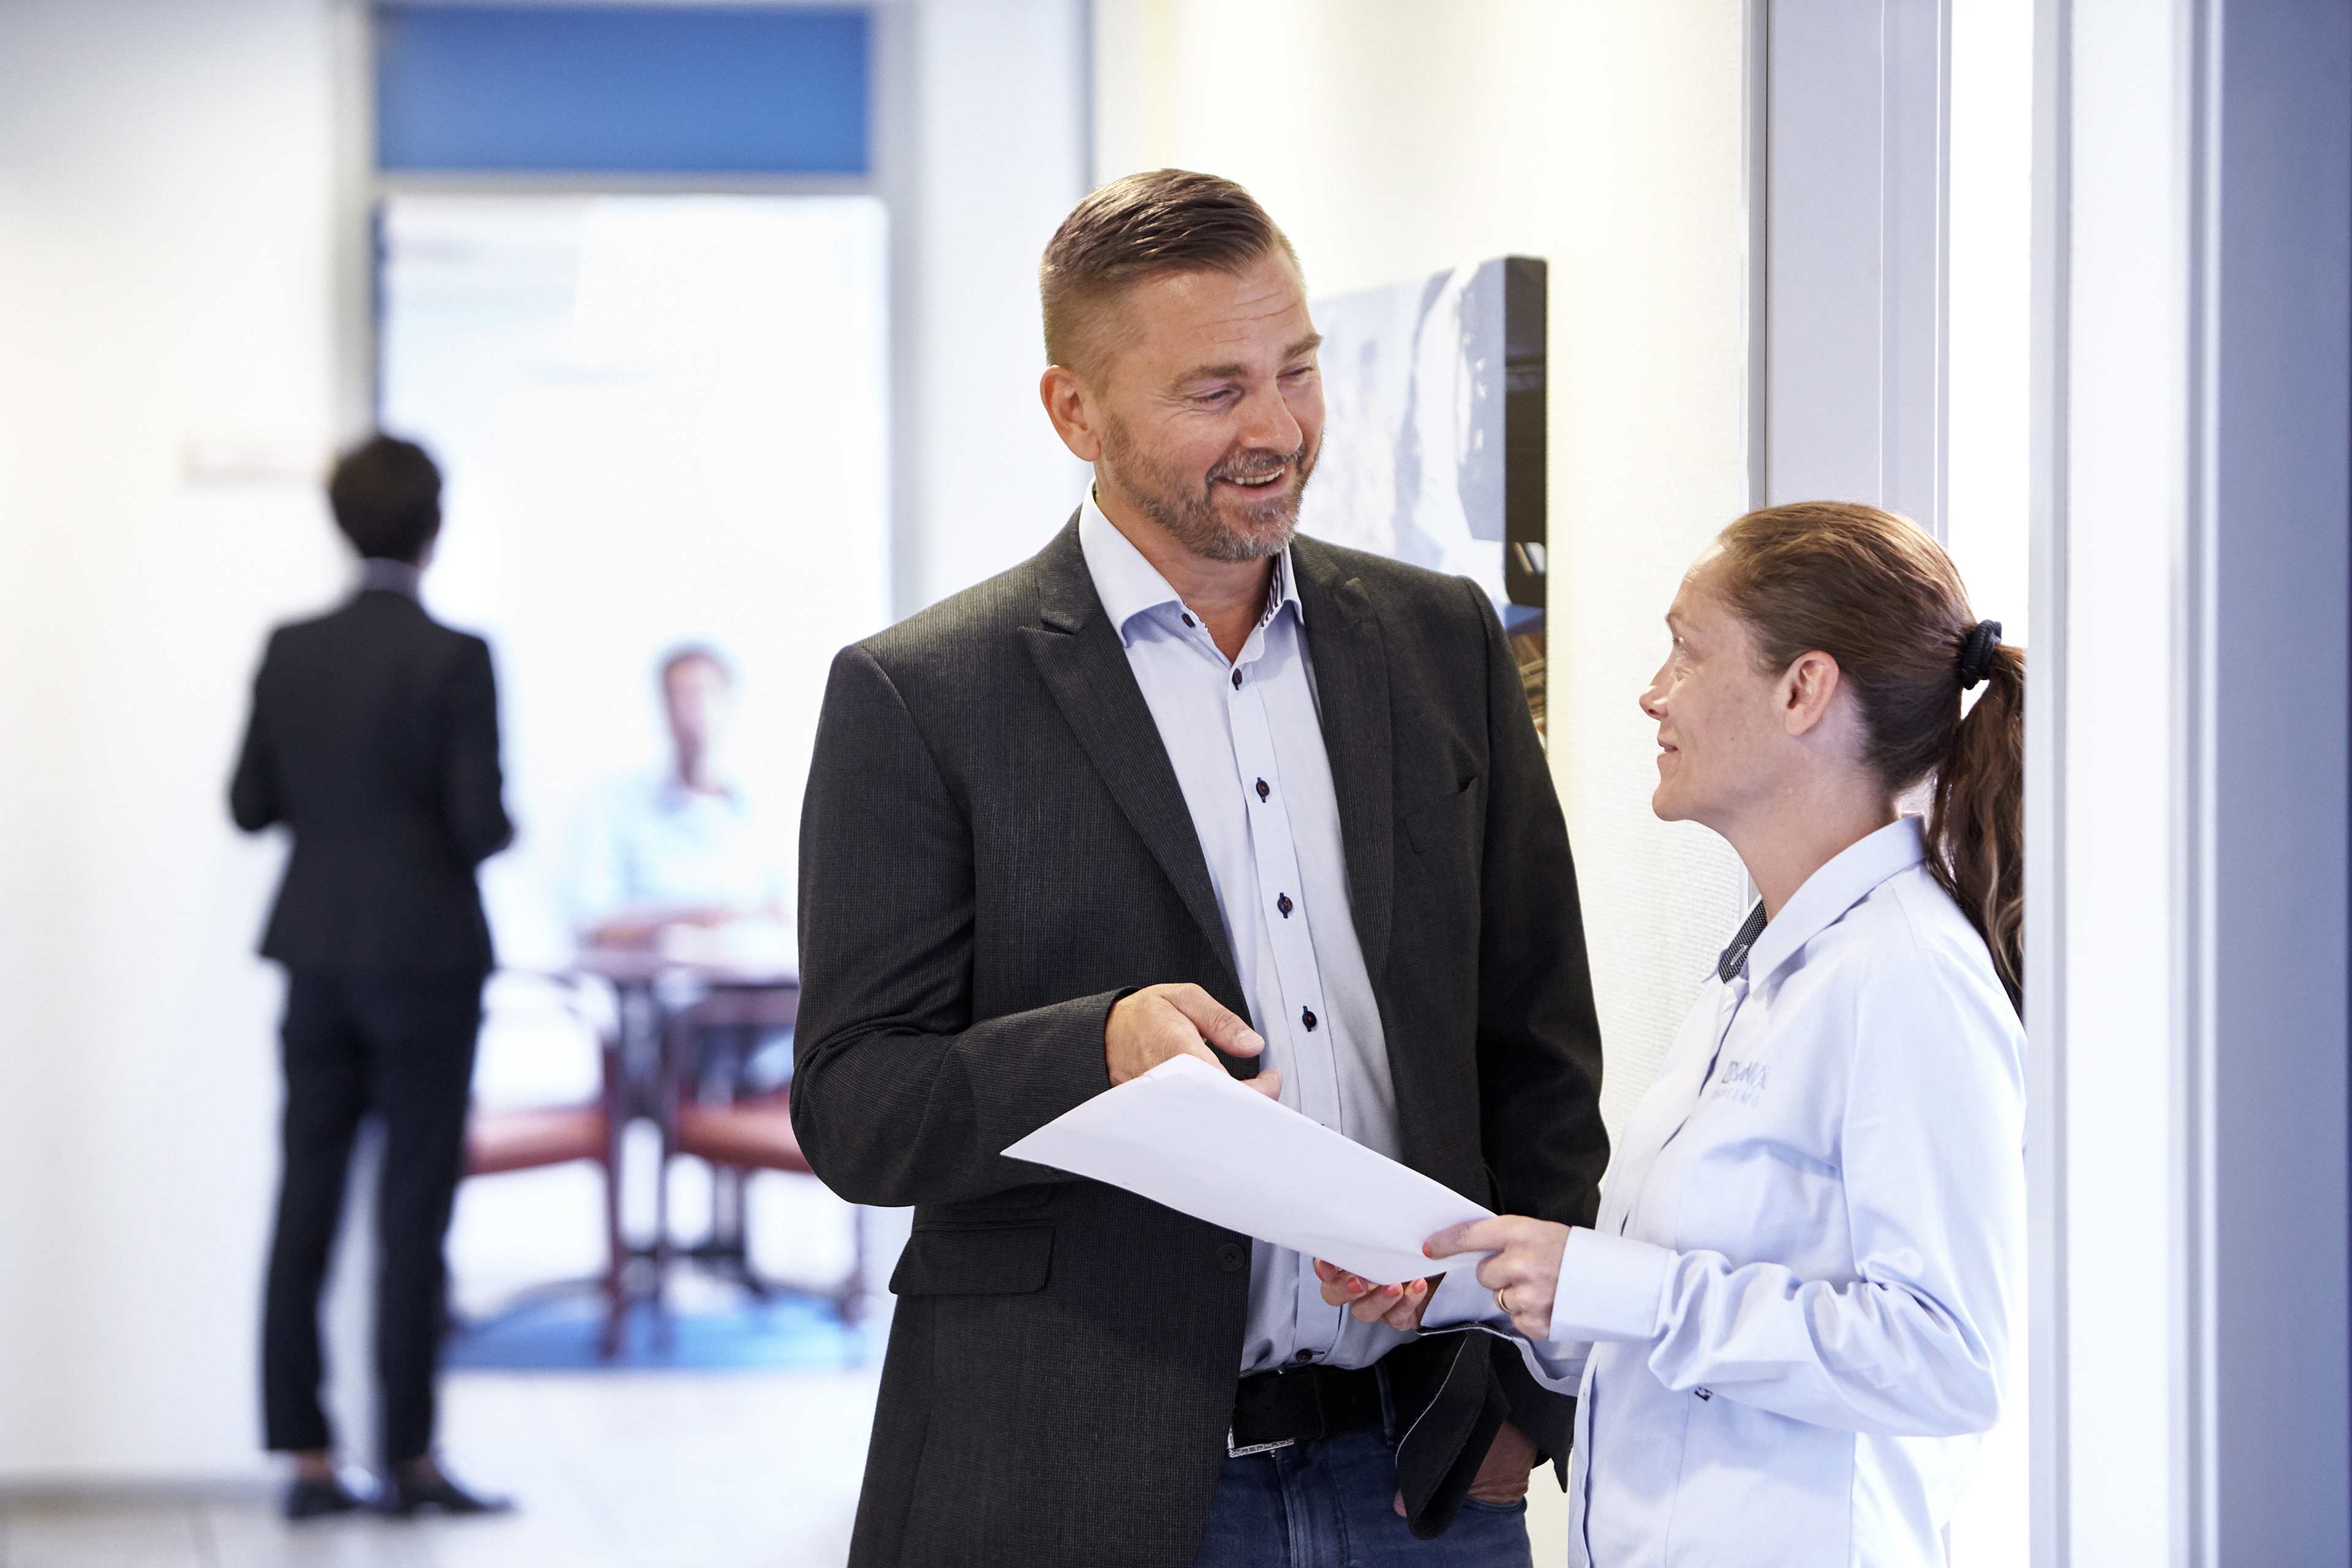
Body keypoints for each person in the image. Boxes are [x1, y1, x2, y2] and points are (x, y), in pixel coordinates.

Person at [790, 168, 1608, 1568]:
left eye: (1297, 369)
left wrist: (1524, 1392)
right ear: (1074, 412)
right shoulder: (923, 695)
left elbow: (1535, 1037)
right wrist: (1091, 1048)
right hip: (1068, 1477)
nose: (1279, 428)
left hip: (1417, 1470)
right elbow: (855, 1104)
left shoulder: (1438, 640)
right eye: (1214, 389)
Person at [1327, 501, 2026, 1567]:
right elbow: (1672, 1324)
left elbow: (1944, 1360)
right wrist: (1470, 1290)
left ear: (1805, 690)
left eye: (1687, 653)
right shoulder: (1761, 972)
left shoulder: (1907, 975)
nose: (1653, 692)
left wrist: (1612, 1286)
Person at [230, 435, 515, 1520]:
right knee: (413, 1214)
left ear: (340, 524)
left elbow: (251, 805)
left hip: (313, 951)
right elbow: (477, 824)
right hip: (428, 960)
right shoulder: (456, 656)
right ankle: (408, 1460)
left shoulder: (289, 649)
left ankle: (304, 1459)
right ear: (431, 528)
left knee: (304, 1200)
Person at [570, 644, 788, 955]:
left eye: (707, 694)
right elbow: (591, 924)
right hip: (661, 990)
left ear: (731, 704)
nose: (696, 712)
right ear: (664, 710)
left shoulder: (769, 810)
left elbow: (791, 917)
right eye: (681, 697)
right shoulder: (614, 808)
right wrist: (691, 923)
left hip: (759, 988)